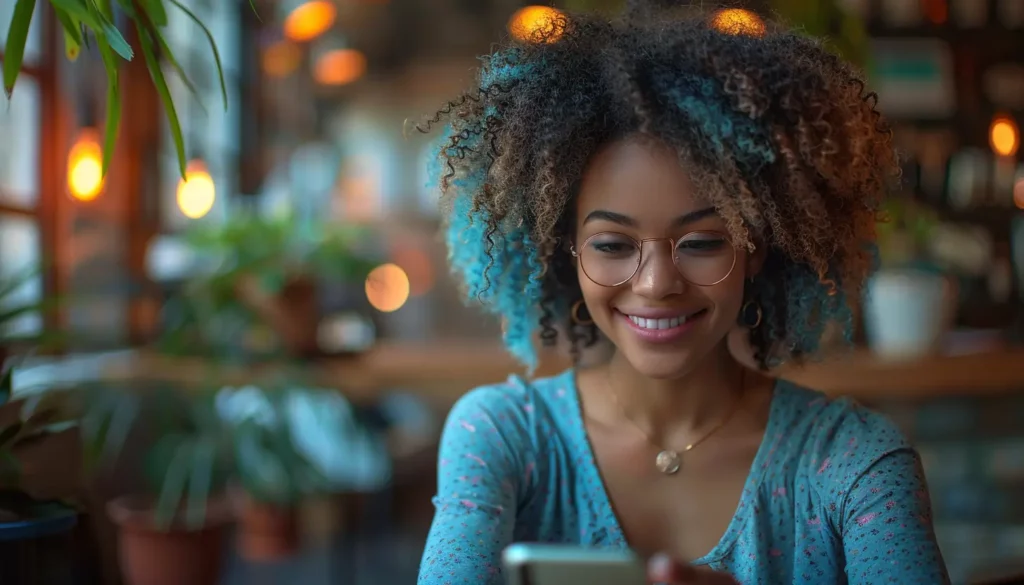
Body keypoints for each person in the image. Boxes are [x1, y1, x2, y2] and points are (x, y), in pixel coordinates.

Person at [416, 3, 949, 584]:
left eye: (700, 242)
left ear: (757, 248)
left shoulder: (855, 463)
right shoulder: (502, 436)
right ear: (566, 249)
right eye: (613, 244)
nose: (656, 284)